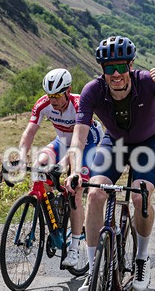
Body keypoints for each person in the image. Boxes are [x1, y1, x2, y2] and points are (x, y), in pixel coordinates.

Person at [65, 36, 155, 291]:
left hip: (148, 144)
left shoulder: (148, 82)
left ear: (131, 66)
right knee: (94, 194)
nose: (116, 74)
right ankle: (94, 271)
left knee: (141, 196)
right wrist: (74, 170)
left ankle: (142, 258)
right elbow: (78, 138)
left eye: (121, 67)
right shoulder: (92, 91)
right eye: (109, 69)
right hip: (114, 143)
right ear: (102, 70)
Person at [15, 68, 104, 269]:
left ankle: (73, 248)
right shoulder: (43, 104)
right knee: (40, 164)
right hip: (62, 140)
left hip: (86, 143)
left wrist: (64, 166)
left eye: (57, 95)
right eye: (50, 95)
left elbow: (76, 145)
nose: (53, 100)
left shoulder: (79, 104)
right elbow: (29, 132)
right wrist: (21, 158)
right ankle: (54, 217)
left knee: (75, 188)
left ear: (68, 90)